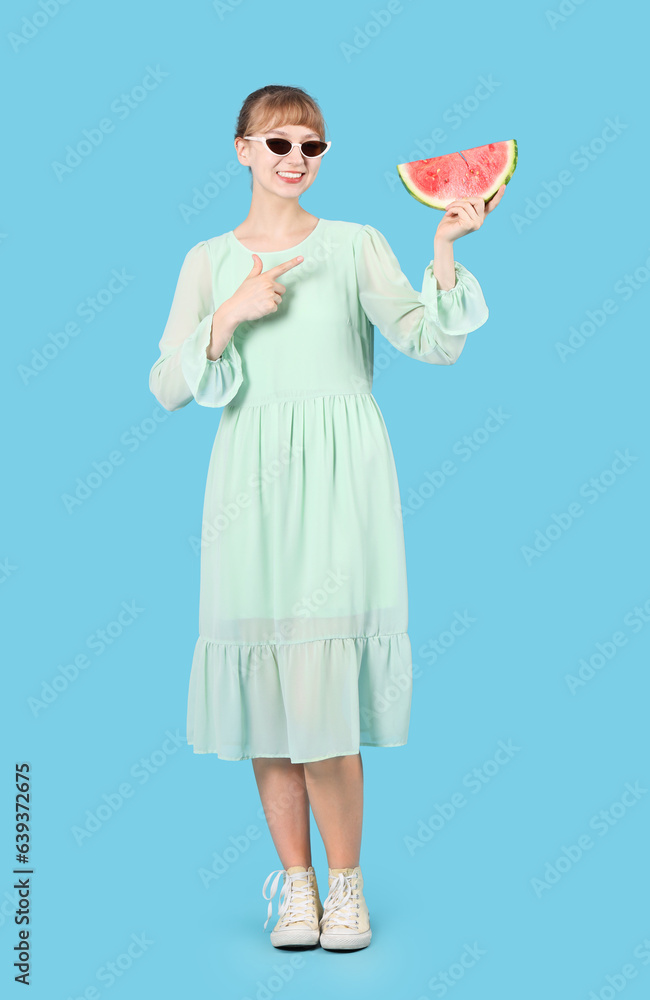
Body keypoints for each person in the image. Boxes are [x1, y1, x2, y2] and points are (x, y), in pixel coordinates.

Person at [149, 83, 504, 952]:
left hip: (342, 476)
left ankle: (348, 891)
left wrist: (445, 248)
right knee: (269, 701)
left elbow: (429, 338)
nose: (295, 161)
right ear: (240, 150)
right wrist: (229, 315)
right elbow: (165, 385)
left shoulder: (353, 245)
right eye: (277, 145)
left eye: (312, 147)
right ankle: (296, 892)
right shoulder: (205, 260)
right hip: (249, 485)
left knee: (323, 700)